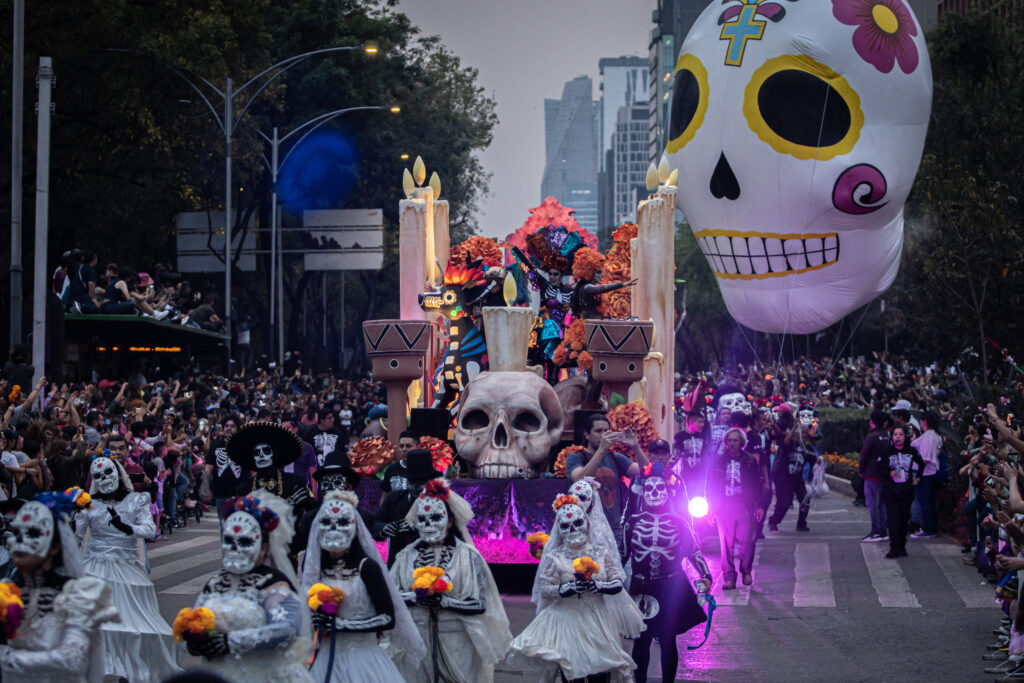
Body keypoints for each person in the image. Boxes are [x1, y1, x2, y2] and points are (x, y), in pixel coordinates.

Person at [390, 480, 511, 683]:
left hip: (458, 644)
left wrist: (444, 602)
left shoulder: (468, 556)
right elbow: (390, 598)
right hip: (416, 643)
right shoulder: (405, 557)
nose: (428, 525)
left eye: (436, 517)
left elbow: (480, 604)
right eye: (423, 519)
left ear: (450, 521)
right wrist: (415, 596)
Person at [509, 493, 639, 682]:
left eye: (577, 523)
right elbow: (544, 587)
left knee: (601, 673)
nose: (572, 530)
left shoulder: (600, 552)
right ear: (559, 530)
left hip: (599, 622)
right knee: (573, 674)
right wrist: (565, 589)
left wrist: (599, 585)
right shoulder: (555, 556)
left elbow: (617, 580)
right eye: (565, 526)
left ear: (586, 523)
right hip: (568, 624)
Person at [300, 491, 425, 682]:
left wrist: (342, 625)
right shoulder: (316, 569)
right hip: (324, 660)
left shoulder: (367, 568)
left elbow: (387, 618)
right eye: (327, 523)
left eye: (342, 523)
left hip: (363, 661)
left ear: (356, 529)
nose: (334, 530)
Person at [76, 455, 181, 680]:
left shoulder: (137, 500)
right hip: (95, 567)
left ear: (118, 473)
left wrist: (126, 527)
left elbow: (150, 529)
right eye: (98, 476)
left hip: (127, 566)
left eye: (108, 473)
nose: (104, 479)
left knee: (132, 622)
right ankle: (102, 669)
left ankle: (129, 670)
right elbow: (76, 537)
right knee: (98, 626)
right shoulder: (89, 505)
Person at [189, 494, 313, 683]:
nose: (235, 548)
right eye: (229, 541)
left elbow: (286, 629)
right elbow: (195, 621)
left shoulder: (274, 583)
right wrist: (194, 640)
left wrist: (230, 642)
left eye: (245, 542)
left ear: (263, 547)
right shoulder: (215, 583)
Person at [0, 492, 119, 683]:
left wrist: (6, 659)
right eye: (18, 534)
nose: (20, 543)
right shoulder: (6, 592)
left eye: (32, 534)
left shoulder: (77, 595)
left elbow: (72, 660)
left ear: (55, 547)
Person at [623, 463, 711, 683]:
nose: (655, 494)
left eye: (660, 489)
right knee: (641, 640)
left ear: (667, 492)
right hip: (641, 587)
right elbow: (621, 554)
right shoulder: (632, 523)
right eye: (650, 489)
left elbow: (694, 552)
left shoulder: (679, 523)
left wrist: (706, 576)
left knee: (667, 639)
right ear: (642, 493)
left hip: (670, 586)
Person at [566, 413, 649, 552]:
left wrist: (636, 447)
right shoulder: (575, 457)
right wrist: (601, 449)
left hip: (614, 529)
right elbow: (580, 479)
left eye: (606, 431)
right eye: (599, 431)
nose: (604, 435)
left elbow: (646, 472)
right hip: (586, 529)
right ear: (587, 435)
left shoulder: (616, 458)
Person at [708, 429, 764, 588]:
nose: (732, 443)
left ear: (741, 443)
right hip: (723, 506)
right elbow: (710, 484)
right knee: (726, 544)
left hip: (744, 507)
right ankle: (729, 577)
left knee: (747, 541)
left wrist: (759, 505)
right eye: (730, 440)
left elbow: (757, 484)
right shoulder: (718, 460)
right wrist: (711, 506)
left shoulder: (749, 460)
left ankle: (746, 570)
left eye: (735, 440)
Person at [372, 450, 439, 567]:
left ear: (430, 482)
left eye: (422, 482)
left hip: (431, 565)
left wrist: (417, 528)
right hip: (398, 565)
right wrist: (384, 529)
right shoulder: (394, 498)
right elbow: (375, 522)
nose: (417, 487)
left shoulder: (440, 503)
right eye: (413, 481)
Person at [767, 412, 813, 534]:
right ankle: (773, 522)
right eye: (801, 432)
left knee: (805, 499)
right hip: (783, 477)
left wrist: (819, 461)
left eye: (805, 434)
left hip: (797, 479)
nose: (803, 435)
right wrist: (794, 428)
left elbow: (812, 459)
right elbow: (786, 442)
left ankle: (801, 523)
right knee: (785, 502)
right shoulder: (787, 441)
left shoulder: (806, 448)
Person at [883, 426, 924, 558]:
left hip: (906, 490)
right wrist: (890, 473)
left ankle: (901, 546)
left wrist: (916, 478)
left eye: (901, 434)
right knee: (893, 519)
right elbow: (880, 468)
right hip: (891, 489)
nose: (898, 437)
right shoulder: (887, 451)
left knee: (903, 518)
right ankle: (893, 548)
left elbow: (921, 465)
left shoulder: (911, 451)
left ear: (905, 437)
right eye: (895, 434)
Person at [858, 410, 892, 543]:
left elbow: (864, 455)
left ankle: (876, 531)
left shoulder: (871, 437)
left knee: (872, 504)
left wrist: (861, 470)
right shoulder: (886, 436)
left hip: (872, 475)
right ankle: (882, 530)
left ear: (872, 421)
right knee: (882, 504)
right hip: (884, 475)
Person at [911, 411, 942, 539]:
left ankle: (928, 528)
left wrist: (916, 474)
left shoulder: (929, 437)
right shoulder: (935, 435)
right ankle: (932, 528)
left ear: (924, 422)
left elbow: (925, 458)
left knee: (925, 502)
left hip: (925, 473)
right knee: (930, 502)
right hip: (931, 473)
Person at [380, 431, 418, 503]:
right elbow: (384, 497)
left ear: (417, 447)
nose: (404, 449)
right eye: (401, 446)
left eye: (408, 446)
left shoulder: (424, 470)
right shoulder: (391, 470)